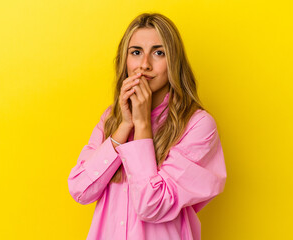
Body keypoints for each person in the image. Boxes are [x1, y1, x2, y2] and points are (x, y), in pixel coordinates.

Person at [67, 12, 227, 240]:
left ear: (174, 61)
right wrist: (124, 126)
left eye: (159, 53)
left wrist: (142, 125)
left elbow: (152, 205)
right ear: (125, 60)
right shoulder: (110, 119)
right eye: (136, 53)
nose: (144, 65)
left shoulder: (198, 125)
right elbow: (81, 190)